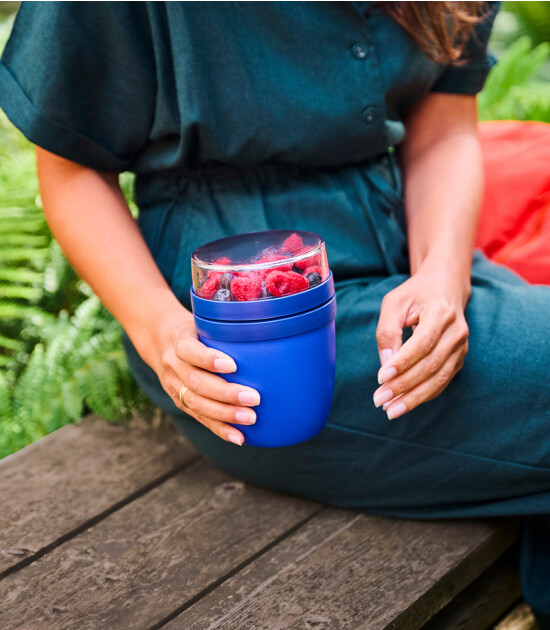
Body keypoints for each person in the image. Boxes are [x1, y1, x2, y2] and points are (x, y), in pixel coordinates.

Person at [1, 2, 549, 625]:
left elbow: (444, 125)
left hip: (418, 263)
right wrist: (166, 335)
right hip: (246, 332)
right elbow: (70, 171)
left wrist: (443, 279)